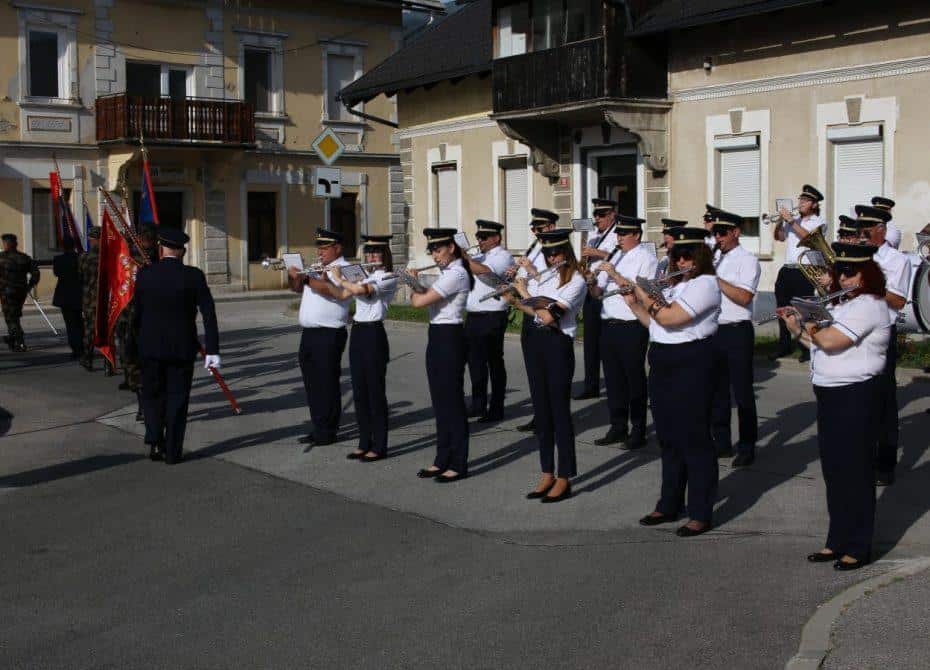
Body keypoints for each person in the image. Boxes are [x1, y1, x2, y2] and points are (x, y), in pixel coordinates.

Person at [778, 242, 889, 570]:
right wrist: (795, 327)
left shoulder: (870, 305)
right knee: (835, 471)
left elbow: (830, 340)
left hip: (856, 394)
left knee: (856, 471)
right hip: (830, 394)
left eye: (850, 272)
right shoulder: (842, 304)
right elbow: (817, 344)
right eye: (839, 271)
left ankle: (858, 546)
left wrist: (809, 317)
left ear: (867, 274)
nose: (843, 278)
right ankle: (837, 539)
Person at [628, 227, 721, 537]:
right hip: (663, 357)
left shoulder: (706, 284)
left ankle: (700, 511)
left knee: (694, 437)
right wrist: (634, 304)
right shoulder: (674, 285)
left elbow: (671, 318)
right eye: (676, 256)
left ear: (699, 257)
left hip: (692, 359)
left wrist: (646, 296)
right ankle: (669, 503)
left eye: (686, 256)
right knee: (668, 436)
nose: (680, 262)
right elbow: (656, 325)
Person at [506, 229, 586, 503]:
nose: (552, 259)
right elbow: (535, 312)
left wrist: (524, 290)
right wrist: (515, 300)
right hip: (537, 342)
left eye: (556, 253)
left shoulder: (576, 281)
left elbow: (551, 316)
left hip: (557, 344)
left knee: (559, 412)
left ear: (567, 253)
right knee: (541, 411)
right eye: (548, 254)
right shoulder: (548, 276)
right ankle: (546, 472)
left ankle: (564, 476)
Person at [134, 227, 219, 464]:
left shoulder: (145, 274)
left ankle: (154, 439)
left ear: (161, 249)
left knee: (152, 396)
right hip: (182, 348)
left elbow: (137, 313)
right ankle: (172, 451)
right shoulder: (193, 276)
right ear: (182, 251)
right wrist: (212, 349)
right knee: (177, 399)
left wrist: (134, 345)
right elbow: (209, 313)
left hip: (150, 347)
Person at [408, 228, 473, 483]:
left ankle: (458, 463)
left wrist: (412, 284)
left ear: (451, 248)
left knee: (452, 402)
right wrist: (416, 284)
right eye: (432, 252)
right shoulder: (447, 273)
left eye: (438, 250)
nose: (435, 256)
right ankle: (441, 458)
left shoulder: (457, 273)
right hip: (437, 333)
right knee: (440, 401)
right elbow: (426, 296)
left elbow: (418, 302)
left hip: (450, 336)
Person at [853, 205, 910, 487]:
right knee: (859, 398)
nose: (861, 237)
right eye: (859, 232)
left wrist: (866, 284)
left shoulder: (897, 260)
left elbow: (898, 300)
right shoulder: (857, 256)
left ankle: (886, 463)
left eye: (866, 232)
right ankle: (864, 457)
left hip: (881, 333)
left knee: (884, 400)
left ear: (881, 230)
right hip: (855, 330)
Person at [592, 215, 657, 448]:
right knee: (613, 379)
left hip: (632, 325)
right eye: (618, 234)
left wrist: (615, 275)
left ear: (636, 235)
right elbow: (598, 293)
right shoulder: (615, 256)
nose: (619, 238)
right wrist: (590, 281)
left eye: (623, 234)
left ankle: (638, 430)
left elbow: (643, 293)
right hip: (609, 323)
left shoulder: (646, 259)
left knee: (633, 379)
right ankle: (617, 426)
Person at [331, 235, 398, 461]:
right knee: (359, 391)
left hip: (373, 333)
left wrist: (339, 277)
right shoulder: (364, 275)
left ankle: (379, 446)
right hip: (358, 331)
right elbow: (342, 294)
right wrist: (319, 279)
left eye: (376, 251)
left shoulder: (388, 276)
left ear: (384, 254)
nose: (371, 256)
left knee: (375, 392)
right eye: (368, 252)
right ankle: (364, 442)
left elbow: (361, 291)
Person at [288, 228, 352, 447]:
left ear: (337, 248)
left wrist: (307, 278)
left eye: (325, 248)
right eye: (319, 248)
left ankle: (328, 430)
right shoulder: (317, 268)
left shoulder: (344, 268)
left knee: (326, 382)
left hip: (329, 332)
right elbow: (297, 289)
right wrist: (294, 276)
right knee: (312, 384)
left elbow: (331, 290)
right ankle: (318, 426)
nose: (320, 252)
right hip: (310, 333)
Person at [708, 208, 762, 467]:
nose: (717, 238)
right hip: (714, 329)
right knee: (717, 391)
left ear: (736, 232)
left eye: (722, 233)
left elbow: (744, 297)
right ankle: (721, 443)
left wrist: (715, 279)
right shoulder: (716, 258)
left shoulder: (748, 260)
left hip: (736, 330)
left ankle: (747, 446)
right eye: (715, 233)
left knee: (742, 392)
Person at [464, 220, 514, 422]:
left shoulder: (503, 256)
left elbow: (485, 272)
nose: (479, 240)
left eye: (484, 237)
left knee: (494, 362)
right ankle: (478, 404)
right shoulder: (478, 256)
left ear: (496, 238)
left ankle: (496, 407)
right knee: (475, 363)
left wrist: (464, 257)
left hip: (492, 315)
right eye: (478, 237)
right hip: (474, 315)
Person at [513, 208, 559, 433]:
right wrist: (517, 279)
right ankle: (539, 415)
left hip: (546, 312)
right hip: (529, 311)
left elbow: (552, 284)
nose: (536, 233)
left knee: (549, 372)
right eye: (534, 229)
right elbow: (525, 280)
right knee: (534, 371)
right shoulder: (534, 250)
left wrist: (530, 270)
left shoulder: (557, 252)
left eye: (539, 228)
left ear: (551, 227)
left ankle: (552, 417)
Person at [771, 184, 826, 362]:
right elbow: (779, 237)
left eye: (806, 200)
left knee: (804, 311)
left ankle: (806, 347)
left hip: (804, 271)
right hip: (787, 269)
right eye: (801, 199)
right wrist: (780, 221)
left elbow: (808, 239)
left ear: (814, 204)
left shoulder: (819, 222)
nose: (801, 203)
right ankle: (784, 345)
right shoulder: (793, 220)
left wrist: (791, 221)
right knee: (782, 308)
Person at [575, 198, 618, 400]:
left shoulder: (619, 232)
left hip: (608, 291)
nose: (597, 219)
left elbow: (620, 255)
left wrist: (597, 252)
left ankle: (614, 384)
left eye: (601, 215)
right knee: (590, 341)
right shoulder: (593, 234)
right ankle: (590, 385)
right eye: (595, 215)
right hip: (591, 288)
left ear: (612, 215)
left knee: (608, 343)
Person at [0, 233, 40, 352]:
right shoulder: (24, 257)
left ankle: (19, 341)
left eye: (5, 243)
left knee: (11, 317)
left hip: (7, 292)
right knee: (14, 315)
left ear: (8, 244)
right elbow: (36, 274)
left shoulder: (2, 258)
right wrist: (29, 286)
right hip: (21, 292)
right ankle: (12, 339)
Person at [52, 237, 84, 359]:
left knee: (70, 324)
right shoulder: (80, 258)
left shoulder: (58, 259)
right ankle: (82, 346)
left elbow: (56, 273)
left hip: (65, 295)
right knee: (79, 322)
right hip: (79, 293)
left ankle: (76, 348)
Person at [79, 227, 101, 370]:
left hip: (89, 298)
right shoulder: (109, 256)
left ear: (90, 239)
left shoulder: (84, 257)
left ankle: (87, 358)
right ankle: (108, 363)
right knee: (107, 330)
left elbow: (80, 276)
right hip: (105, 298)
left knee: (89, 329)